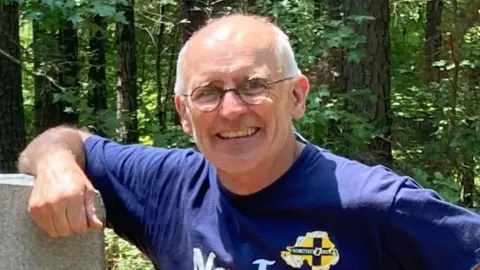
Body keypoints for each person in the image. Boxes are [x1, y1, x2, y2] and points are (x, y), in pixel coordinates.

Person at [18, 14, 480, 270]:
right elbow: (60, 139)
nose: (232, 109)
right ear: (183, 113)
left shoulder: (372, 203)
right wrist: (58, 164)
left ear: (296, 96)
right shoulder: (166, 186)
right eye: (208, 92)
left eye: (254, 85)